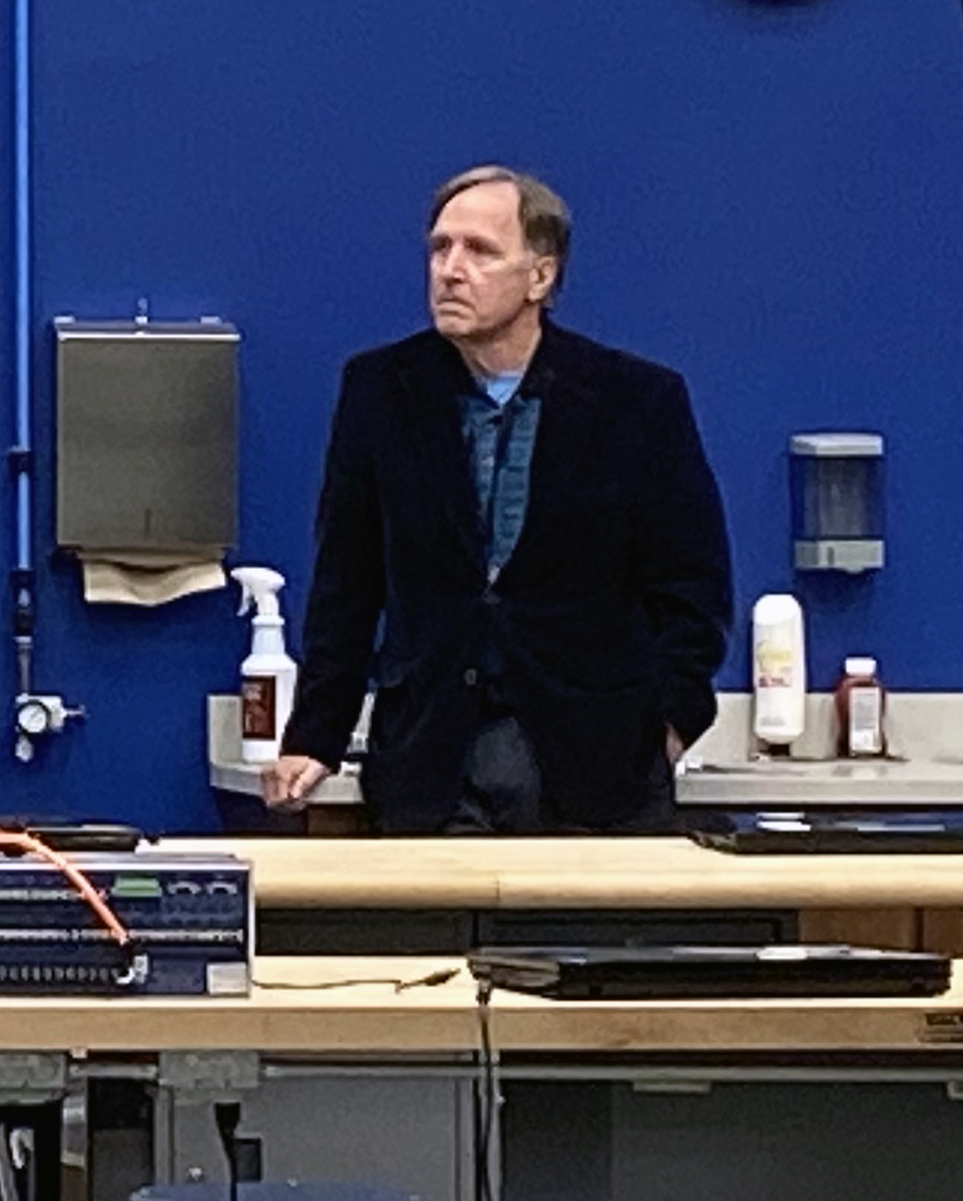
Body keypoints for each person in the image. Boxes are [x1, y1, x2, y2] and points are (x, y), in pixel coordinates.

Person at [263, 166, 734, 834]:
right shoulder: (380, 391)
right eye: (438, 248)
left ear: (539, 277)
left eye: (478, 251)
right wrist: (314, 734)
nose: (449, 270)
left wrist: (669, 721)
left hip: (594, 765)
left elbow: (692, 587)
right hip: (430, 758)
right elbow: (346, 582)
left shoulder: (635, 401)